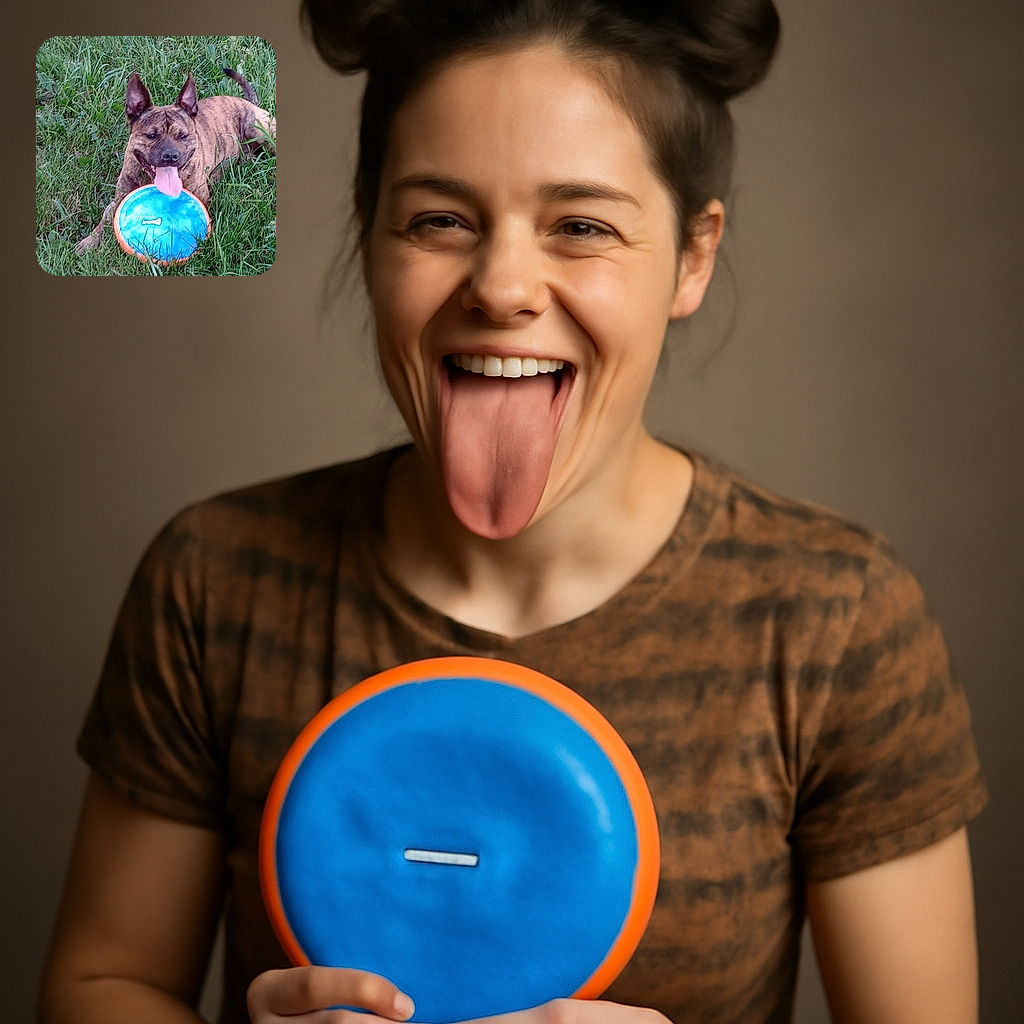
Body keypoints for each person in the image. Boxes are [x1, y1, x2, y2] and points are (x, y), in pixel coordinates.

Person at [37, 2, 987, 1023]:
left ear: (693, 255)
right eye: (439, 220)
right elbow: (102, 984)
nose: (499, 286)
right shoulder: (214, 578)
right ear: (366, 233)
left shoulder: (835, 616)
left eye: (581, 226)